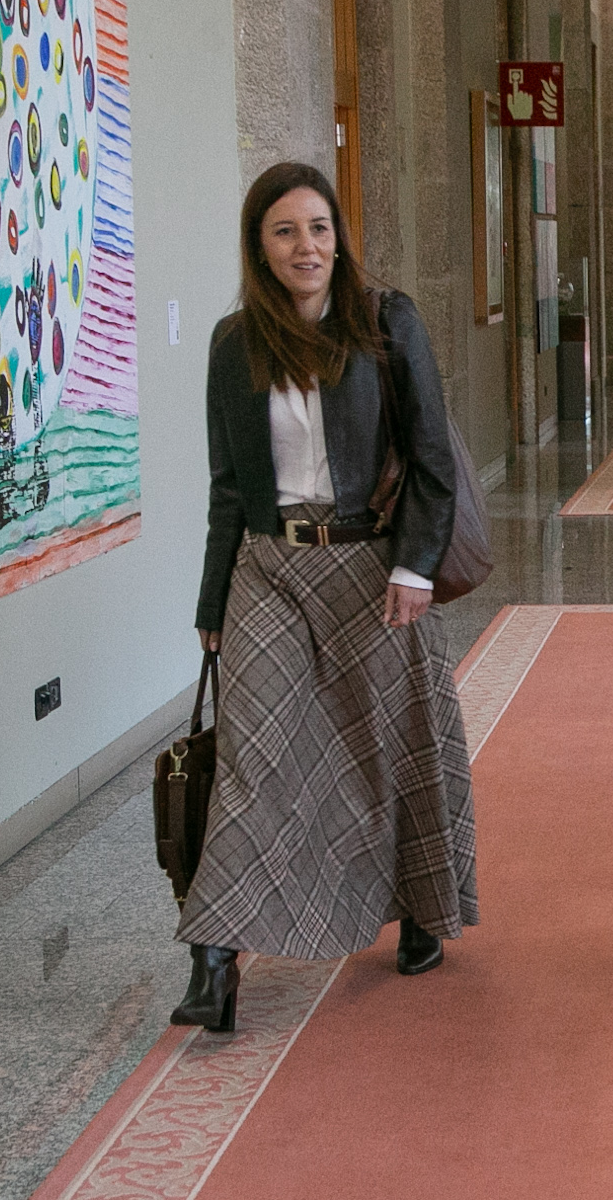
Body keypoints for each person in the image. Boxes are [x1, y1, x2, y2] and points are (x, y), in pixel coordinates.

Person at [172, 162, 478, 1031]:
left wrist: (414, 567)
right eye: (285, 231)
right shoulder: (234, 343)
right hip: (268, 569)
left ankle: (421, 906)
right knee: (253, 755)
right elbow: (228, 487)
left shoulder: (385, 321)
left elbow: (432, 456)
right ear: (259, 248)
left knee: (394, 741)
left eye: (318, 227)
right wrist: (210, 606)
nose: (305, 246)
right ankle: (214, 956)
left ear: (338, 237)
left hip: (370, 566)